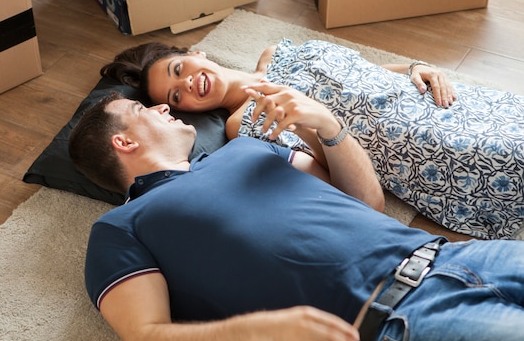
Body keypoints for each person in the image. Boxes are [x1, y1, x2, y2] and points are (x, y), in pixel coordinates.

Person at [68, 85, 524, 341]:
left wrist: (328, 127)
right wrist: (264, 331)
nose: (164, 107)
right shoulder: (121, 227)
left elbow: (366, 204)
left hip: (458, 253)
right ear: (123, 142)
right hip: (396, 320)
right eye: (143, 109)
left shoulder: (246, 148)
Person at [101, 40, 524, 239]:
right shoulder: (242, 126)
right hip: (434, 147)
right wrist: (311, 124)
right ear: (183, 111)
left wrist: (416, 66)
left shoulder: (278, 50)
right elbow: (344, 190)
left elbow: (365, 68)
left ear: (196, 52)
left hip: (450, 101)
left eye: (179, 69)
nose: (189, 84)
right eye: (176, 97)